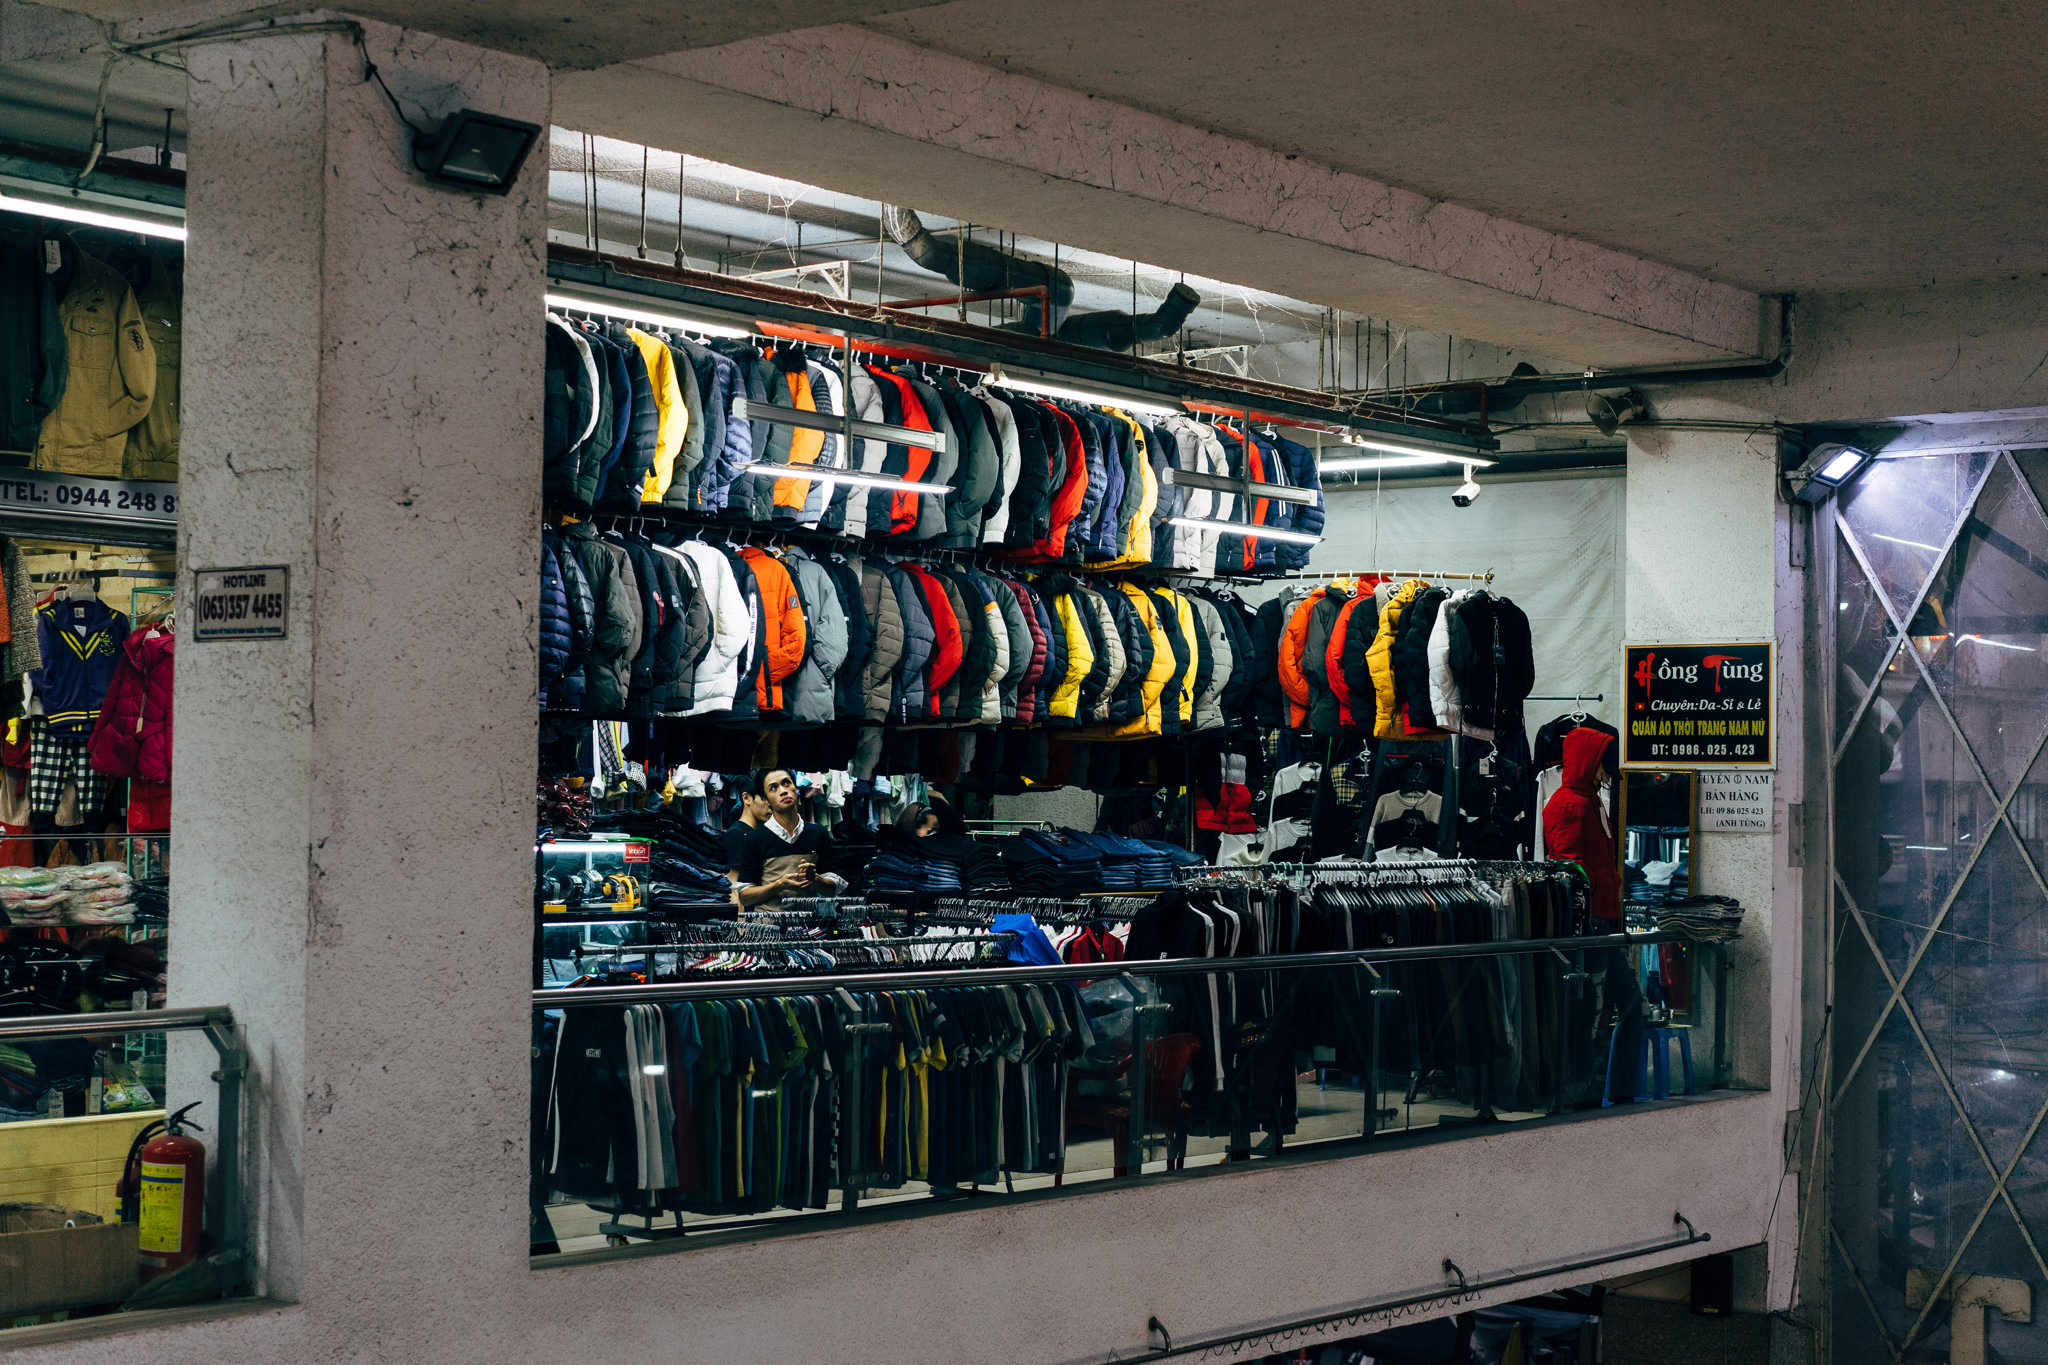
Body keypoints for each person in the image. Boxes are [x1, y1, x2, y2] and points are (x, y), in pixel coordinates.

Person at [733, 768, 844, 910]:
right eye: (773, 788)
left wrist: (816, 879)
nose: (783, 791)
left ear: (796, 788)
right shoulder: (755, 839)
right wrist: (778, 885)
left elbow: (833, 888)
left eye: (786, 783)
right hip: (769, 927)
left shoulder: (818, 833)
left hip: (811, 926)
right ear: (766, 799)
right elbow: (745, 897)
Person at [724, 773, 771, 902]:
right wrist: (740, 919)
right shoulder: (738, 835)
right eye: (764, 798)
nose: (770, 804)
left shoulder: (757, 833)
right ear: (746, 798)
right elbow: (733, 882)